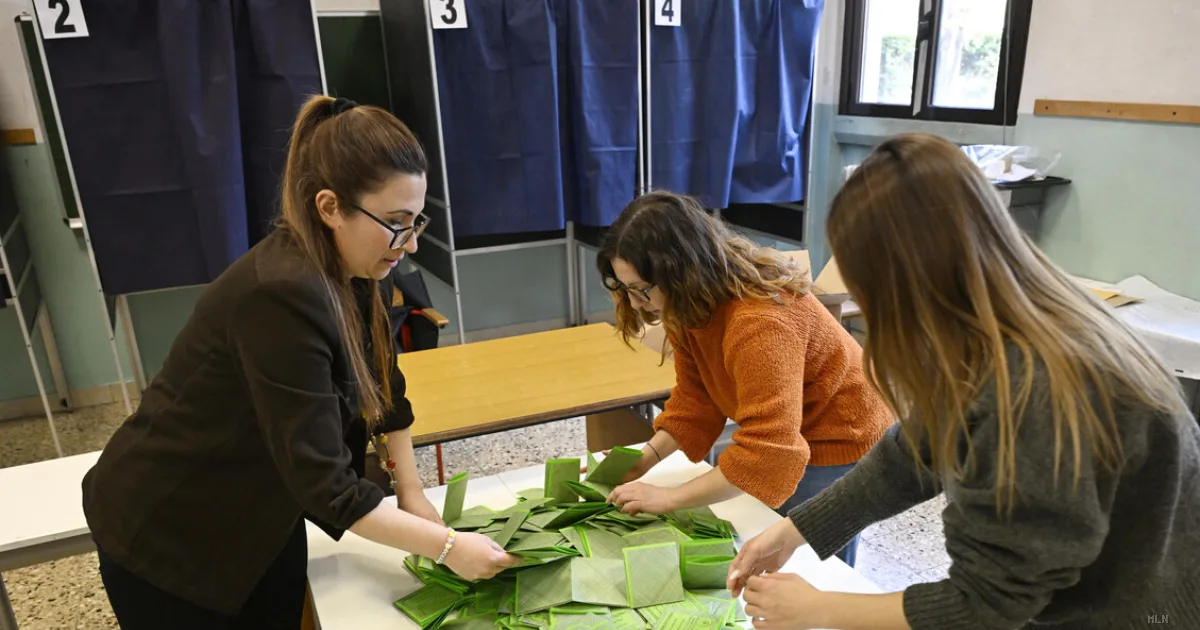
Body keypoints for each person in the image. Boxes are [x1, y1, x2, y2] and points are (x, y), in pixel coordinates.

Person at [727, 133, 1200, 630]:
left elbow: (989, 603)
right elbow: (912, 456)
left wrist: (819, 608)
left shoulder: (1032, 385)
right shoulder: (995, 323)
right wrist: (794, 530)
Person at [81, 96, 520, 629]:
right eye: (395, 222)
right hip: (172, 526)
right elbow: (329, 487)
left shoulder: (364, 266)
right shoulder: (279, 296)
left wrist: (411, 492)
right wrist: (448, 546)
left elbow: (386, 393)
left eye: (416, 220)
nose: (408, 244)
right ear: (330, 206)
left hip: (262, 507)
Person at [596, 191, 894, 566]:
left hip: (842, 431)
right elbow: (696, 399)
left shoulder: (759, 323)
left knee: (812, 561)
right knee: (769, 538)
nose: (637, 304)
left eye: (642, 290)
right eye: (625, 290)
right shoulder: (691, 302)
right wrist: (646, 457)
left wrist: (669, 498)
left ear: (681, 270)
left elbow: (769, 453)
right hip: (793, 432)